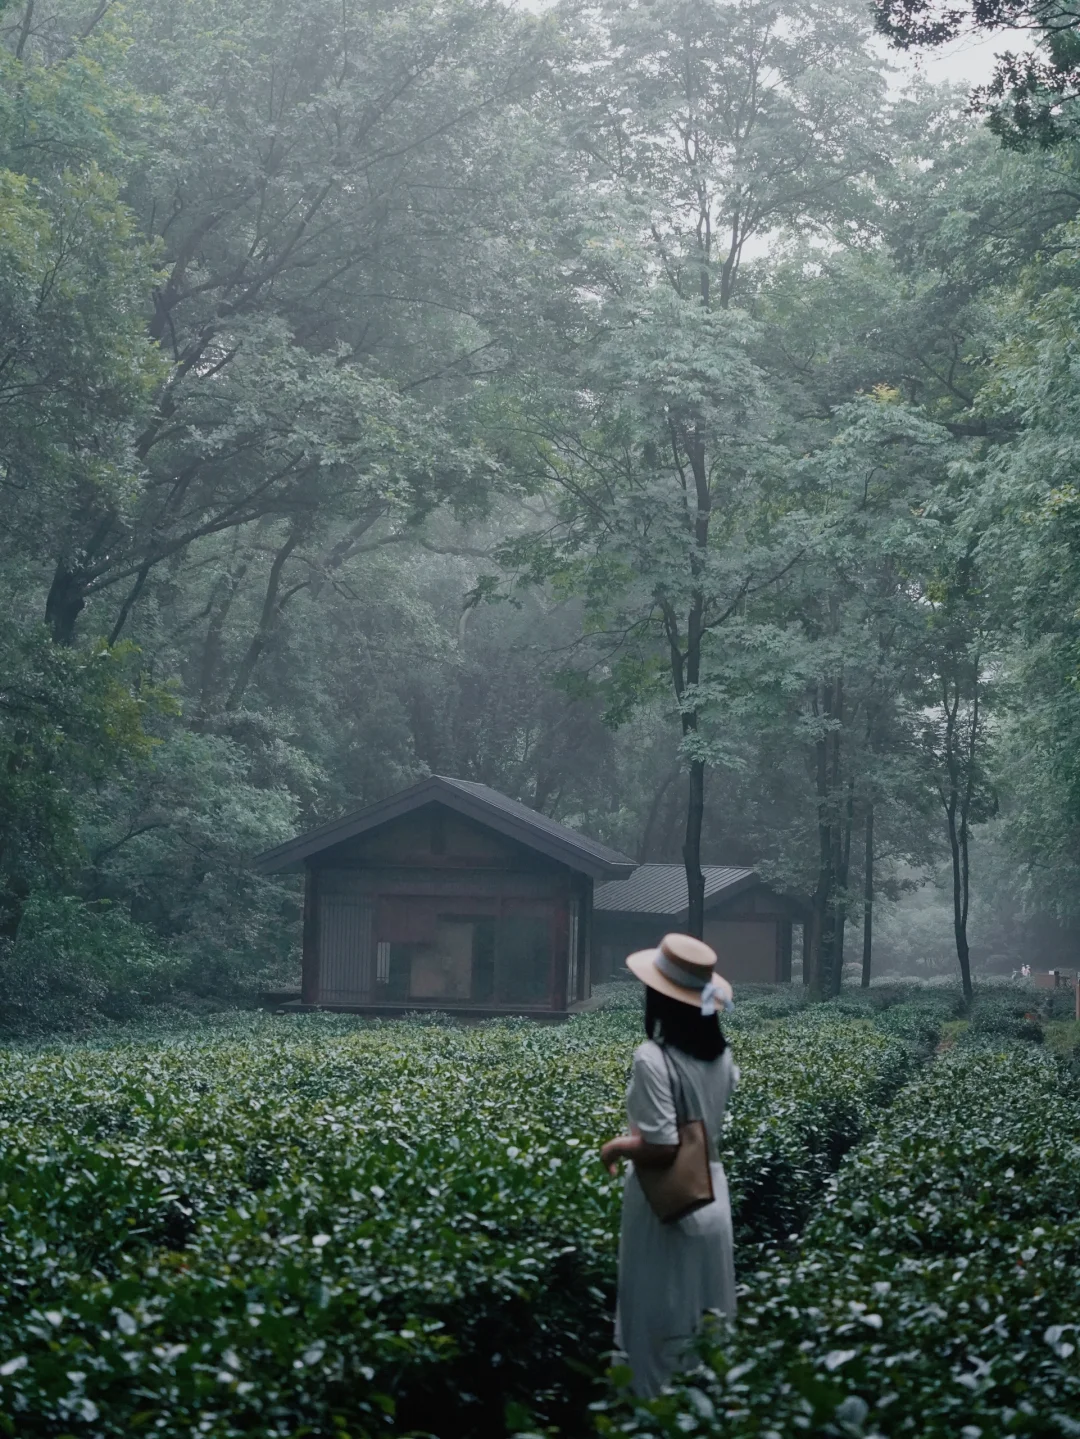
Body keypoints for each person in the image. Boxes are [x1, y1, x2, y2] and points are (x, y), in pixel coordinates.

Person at [600, 932, 738, 1398]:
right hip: (711, 1191)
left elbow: (660, 1145)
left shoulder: (651, 1058)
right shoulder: (722, 1057)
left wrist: (616, 1147)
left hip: (667, 1206)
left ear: (658, 995)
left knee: (656, 1330)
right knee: (705, 1323)